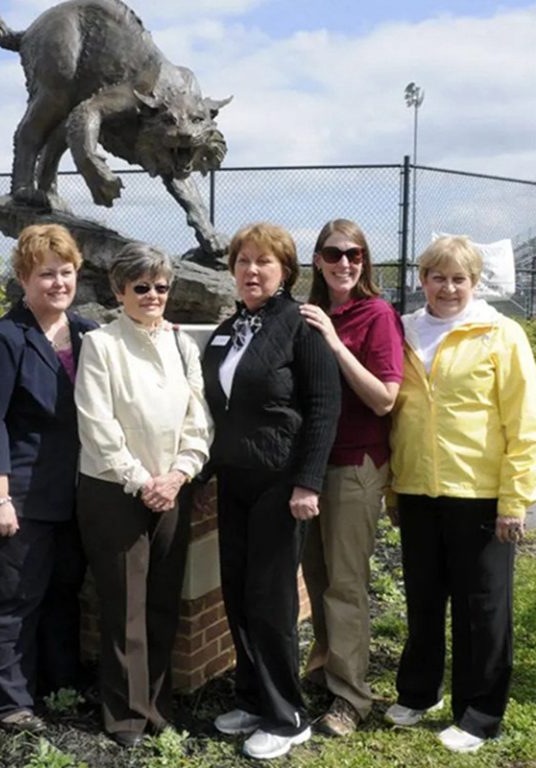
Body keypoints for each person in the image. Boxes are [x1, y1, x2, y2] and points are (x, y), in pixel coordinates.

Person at [385, 235, 536, 753]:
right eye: (437, 276)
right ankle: (419, 691)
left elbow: (524, 422)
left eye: (459, 278)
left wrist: (515, 500)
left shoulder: (501, 333)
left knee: (483, 609)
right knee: (424, 599)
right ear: (421, 278)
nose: (447, 288)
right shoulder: (402, 331)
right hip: (417, 489)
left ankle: (479, 712)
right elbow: (394, 415)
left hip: (480, 493)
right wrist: (392, 488)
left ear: (475, 282)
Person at [201, 222, 340, 761]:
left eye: (263, 262)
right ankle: (254, 697)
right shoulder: (230, 328)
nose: (251, 270)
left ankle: (288, 715)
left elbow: (325, 409)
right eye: (243, 261)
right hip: (234, 480)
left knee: (271, 597)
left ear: (285, 272)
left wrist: (307, 482)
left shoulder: (299, 326)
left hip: (282, 483)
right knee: (236, 591)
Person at [0, 224, 97, 732]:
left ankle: (58, 683)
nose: (57, 283)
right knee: (13, 598)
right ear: (23, 277)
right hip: (16, 494)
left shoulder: (86, 334)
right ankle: (6, 700)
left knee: (63, 592)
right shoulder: (4, 339)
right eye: (46, 274)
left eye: (66, 272)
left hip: (70, 493)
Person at [75, 243, 212, 747]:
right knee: (123, 608)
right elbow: (97, 425)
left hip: (171, 491)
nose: (153, 295)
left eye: (161, 286)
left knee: (160, 605)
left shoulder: (182, 345)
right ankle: (125, 715)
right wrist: (142, 481)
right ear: (119, 291)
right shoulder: (101, 345)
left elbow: (198, 418)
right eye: (141, 287)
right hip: (115, 493)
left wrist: (178, 474)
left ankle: (158, 704)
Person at [298, 219, 404, 735]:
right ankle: (324, 668)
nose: (345, 263)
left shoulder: (376, 315)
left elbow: (385, 397)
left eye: (355, 255)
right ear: (317, 260)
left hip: (355, 463)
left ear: (365, 261)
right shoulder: (311, 314)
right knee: (316, 578)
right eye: (334, 254)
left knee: (344, 584)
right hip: (311, 467)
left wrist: (337, 347)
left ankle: (351, 697)